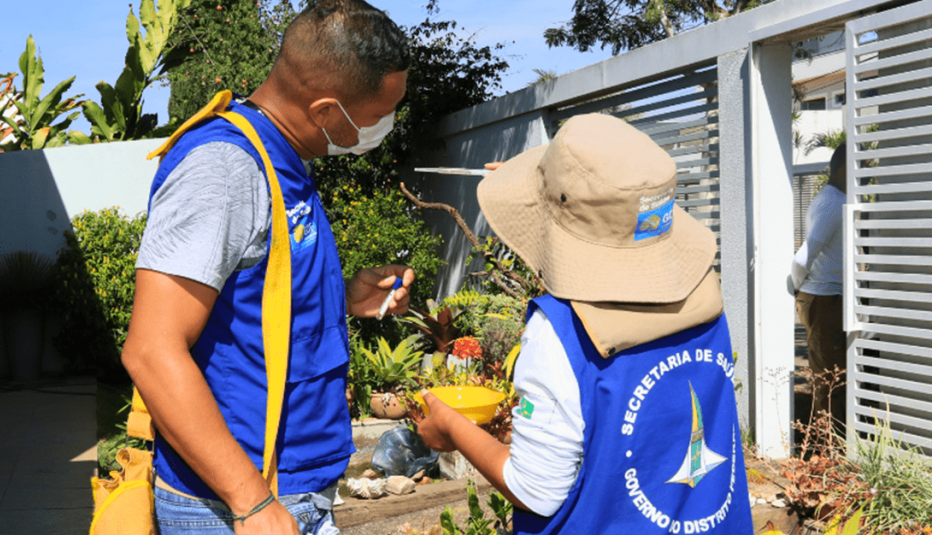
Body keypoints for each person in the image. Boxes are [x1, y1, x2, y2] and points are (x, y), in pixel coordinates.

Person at [121, 2, 413, 534]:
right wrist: (250, 501)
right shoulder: (225, 167)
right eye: (378, 116)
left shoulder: (281, 157)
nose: (384, 128)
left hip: (290, 489)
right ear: (326, 110)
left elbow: (252, 301)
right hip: (236, 504)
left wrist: (342, 298)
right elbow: (150, 349)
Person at [417, 114, 754, 534]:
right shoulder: (703, 293)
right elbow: (621, 226)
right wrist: (561, 198)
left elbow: (535, 490)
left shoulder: (558, 333)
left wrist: (452, 427)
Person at [790, 144, 848, 428]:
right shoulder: (834, 203)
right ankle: (827, 448)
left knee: (828, 375)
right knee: (832, 378)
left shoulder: (828, 198)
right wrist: (799, 288)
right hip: (825, 299)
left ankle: (827, 442)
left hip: (826, 298)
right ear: (845, 167)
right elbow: (803, 257)